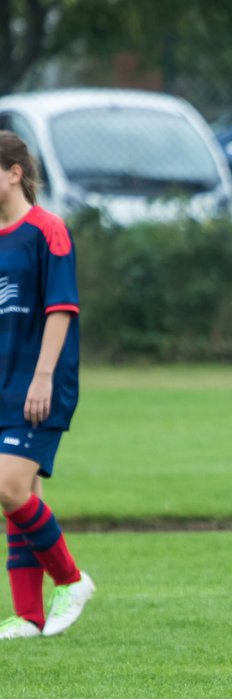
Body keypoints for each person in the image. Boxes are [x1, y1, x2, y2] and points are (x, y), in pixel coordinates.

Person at [0, 130, 95, 641]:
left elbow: (62, 308)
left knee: (7, 486)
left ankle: (73, 580)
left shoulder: (48, 230)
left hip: (39, 384)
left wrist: (41, 378)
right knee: (21, 495)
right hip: (3, 382)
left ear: (15, 172)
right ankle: (29, 617)